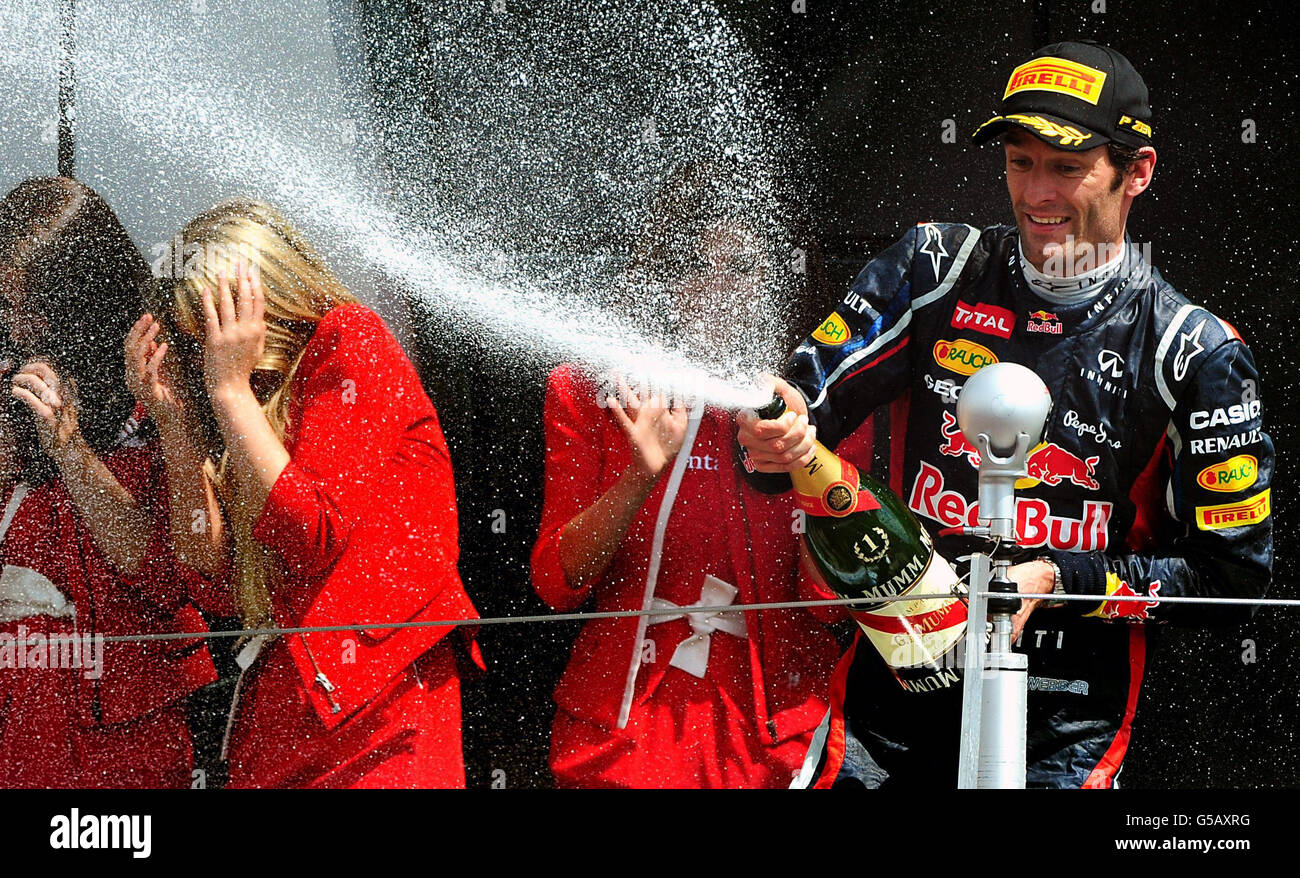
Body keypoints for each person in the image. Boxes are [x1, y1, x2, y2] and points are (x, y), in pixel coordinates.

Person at [736, 40, 1274, 789]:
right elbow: (795, 424)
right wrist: (778, 427)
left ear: (1138, 171)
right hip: (893, 697)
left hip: (1064, 725)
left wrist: (1057, 578)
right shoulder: (934, 271)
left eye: (1065, 166)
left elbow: (1231, 581)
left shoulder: (1193, 351)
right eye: (1020, 163)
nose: (1036, 194)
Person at [129, 198, 480, 788]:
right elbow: (209, 577)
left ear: (262, 303)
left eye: (210, 330)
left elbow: (313, 529)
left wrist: (230, 391)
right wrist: (176, 428)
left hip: (380, 718)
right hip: (286, 718)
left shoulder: (352, 339)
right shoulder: (238, 397)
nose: (204, 355)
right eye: (192, 343)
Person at [530, 177, 843, 788]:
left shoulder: (821, 401)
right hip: (617, 740)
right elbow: (554, 583)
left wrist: (809, 466)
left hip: (774, 740)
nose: (724, 290)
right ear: (664, 281)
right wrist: (638, 478)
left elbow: (834, 607)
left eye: (745, 266)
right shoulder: (592, 388)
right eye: (699, 265)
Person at [0, 176, 217, 787]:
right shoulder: (13, 384)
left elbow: (169, 574)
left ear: (78, 297)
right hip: (22, 709)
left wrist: (69, 451)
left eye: (29, 307)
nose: (17, 330)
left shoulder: (153, 380)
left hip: (126, 724)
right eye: (7, 307)